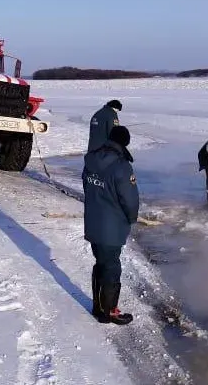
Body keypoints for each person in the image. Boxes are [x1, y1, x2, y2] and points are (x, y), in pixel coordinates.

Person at [82, 125, 139, 325]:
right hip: (111, 226)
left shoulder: (91, 160)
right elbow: (130, 199)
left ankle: (99, 306)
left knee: (101, 264)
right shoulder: (122, 167)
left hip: (93, 222)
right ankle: (109, 312)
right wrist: (132, 217)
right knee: (111, 268)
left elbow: (87, 186)